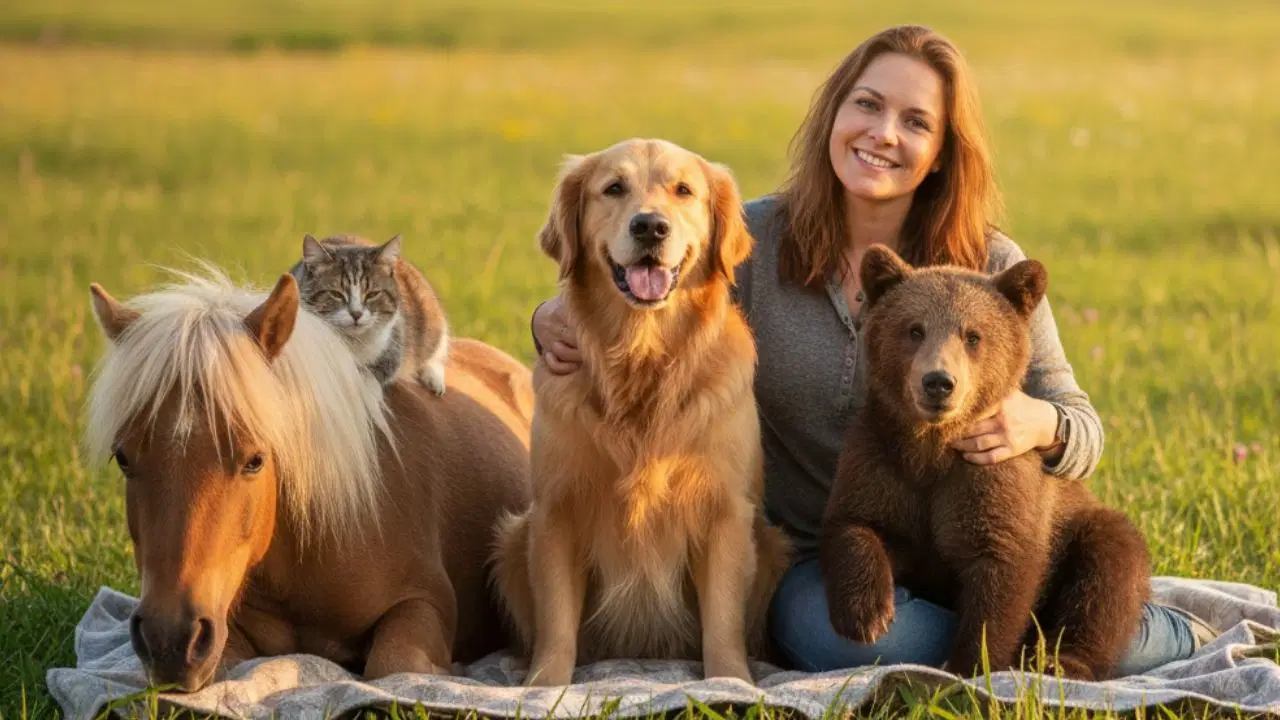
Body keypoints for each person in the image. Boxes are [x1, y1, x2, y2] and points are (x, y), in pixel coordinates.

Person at [527, 24, 1215, 676]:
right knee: (828, 635)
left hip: (988, 548)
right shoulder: (753, 239)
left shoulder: (987, 262)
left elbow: (1083, 424)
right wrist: (546, 317)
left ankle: (1127, 634)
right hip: (830, 560)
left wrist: (1044, 423)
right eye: (867, 105)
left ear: (943, 148)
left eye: (915, 122)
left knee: (1092, 628)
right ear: (833, 113)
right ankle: (1003, 649)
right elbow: (644, 287)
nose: (883, 134)